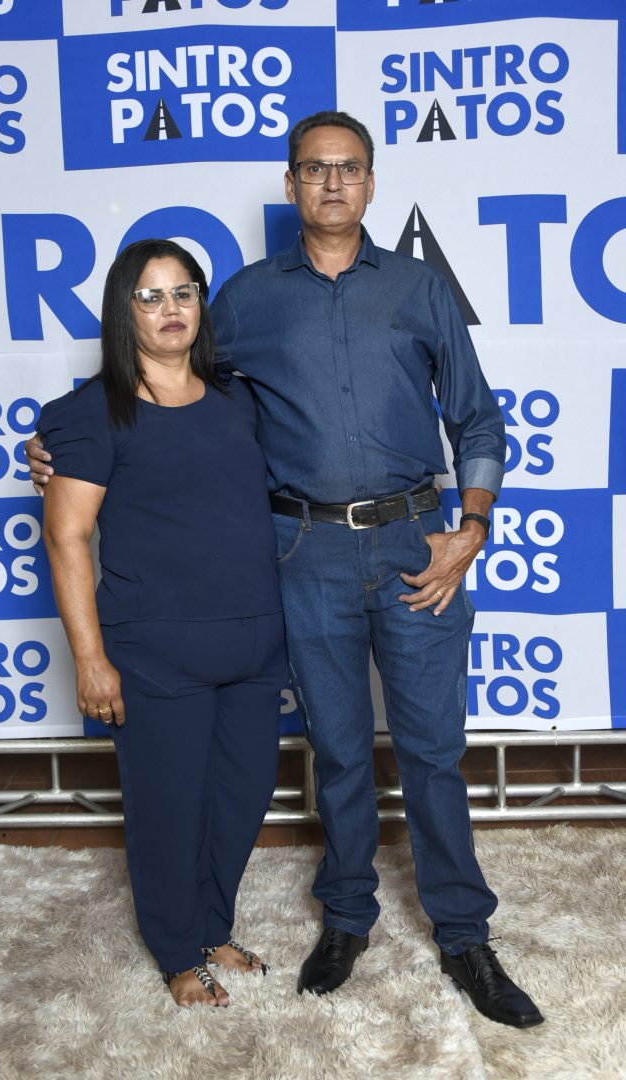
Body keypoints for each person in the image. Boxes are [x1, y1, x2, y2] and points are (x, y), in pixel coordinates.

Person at [29, 112, 543, 1029]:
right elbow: (165, 384)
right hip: (303, 554)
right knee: (337, 752)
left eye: (348, 168)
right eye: (314, 169)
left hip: (416, 544)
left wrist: (471, 526)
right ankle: (346, 918)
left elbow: (479, 420)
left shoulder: (421, 288)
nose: (332, 183)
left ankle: (465, 935)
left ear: (372, 183)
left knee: (431, 753)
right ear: (291, 184)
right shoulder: (243, 299)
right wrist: (62, 448)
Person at [37, 238, 287, 1008]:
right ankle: (176, 950)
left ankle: (211, 927)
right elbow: (66, 538)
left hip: (254, 644)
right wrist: (90, 659)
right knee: (167, 811)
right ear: (125, 311)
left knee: (241, 799)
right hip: (154, 652)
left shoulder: (240, 399)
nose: (170, 308)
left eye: (184, 292)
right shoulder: (91, 413)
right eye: (150, 296)